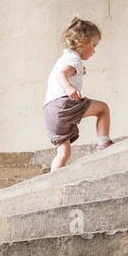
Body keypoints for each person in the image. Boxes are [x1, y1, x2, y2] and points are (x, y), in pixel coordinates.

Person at [43, 16, 113, 172]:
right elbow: (61, 75)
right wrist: (69, 88)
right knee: (103, 109)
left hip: (49, 110)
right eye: (93, 45)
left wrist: (78, 72)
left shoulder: (66, 58)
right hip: (63, 104)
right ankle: (103, 142)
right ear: (83, 42)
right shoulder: (75, 60)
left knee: (63, 152)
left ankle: (53, 180)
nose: (94, 51)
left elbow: (63, 71)